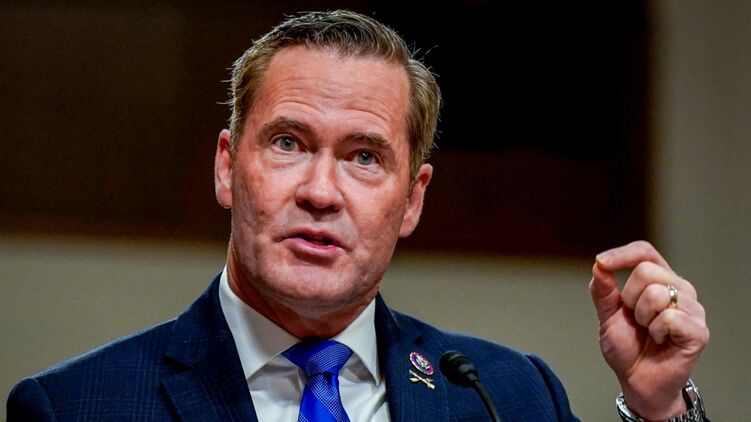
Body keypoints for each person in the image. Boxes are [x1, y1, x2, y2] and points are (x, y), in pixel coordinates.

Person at [7, 10, 709, 421]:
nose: (321, 191)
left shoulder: (506, 395)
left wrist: (661, 410)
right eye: (288, 143)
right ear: (227, 167)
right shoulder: (75, 407)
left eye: (364, 157)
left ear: (412, 199)